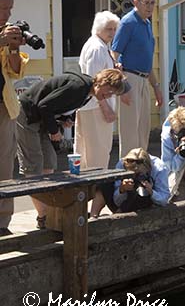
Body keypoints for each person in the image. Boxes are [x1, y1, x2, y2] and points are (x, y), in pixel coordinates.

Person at [16, 68, 130, 229]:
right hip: (27, 112)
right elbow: (44, 105)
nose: (109, 96)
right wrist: (54, 131)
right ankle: (43, 217)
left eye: (112, 94)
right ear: (102, 82)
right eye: (109, 91)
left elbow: (58, 105)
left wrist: (65, 119)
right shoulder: (78, 87)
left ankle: (48, 212)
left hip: (40, 117)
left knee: (49, 162)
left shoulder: (87, 93)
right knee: (33, 165)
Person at [111, 0, 163, 158]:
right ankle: (127, 173)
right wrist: (122, 86)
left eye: (152, 3)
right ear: (136, 2)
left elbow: (147, 59)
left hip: (143, 79)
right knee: (130, 131)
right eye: (146, 3)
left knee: (143, 130)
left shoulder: (147, 23)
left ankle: (142, 168)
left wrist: (156, 87)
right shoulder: (128, 22)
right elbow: (114, 54)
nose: (150, 7)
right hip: (130, 78)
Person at [75, 11, 129, 169]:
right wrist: (106, 109)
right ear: (98, 28)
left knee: (88, 152)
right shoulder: (97, 49)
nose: (112, 33)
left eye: (114, 29)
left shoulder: (101, 45)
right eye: (108, 29)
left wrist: (114, 68)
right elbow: (95, 83)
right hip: (95, 108)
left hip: (92, 106)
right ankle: (96, 190)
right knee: (97, 153)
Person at [0, 0, 29, 236]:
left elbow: (16, 71)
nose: (7, 15)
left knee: (4, 166)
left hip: (4, 106)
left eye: (10, 9)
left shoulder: (8, 32)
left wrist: (13, 48)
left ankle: (2, 223)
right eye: (2, 9)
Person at [91, 147, 170, 215]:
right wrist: (121, 189)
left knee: (139, 190)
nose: (136, 177)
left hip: (147, 204)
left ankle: (117, 216)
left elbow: (164, 200)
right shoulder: (122, 164)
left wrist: (152, 192)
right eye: (132, 174)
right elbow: (116, 200)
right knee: (104, 183)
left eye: (138, 173)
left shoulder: (159, 168)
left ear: (148, 167)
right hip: (123, 200)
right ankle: (93, 216)